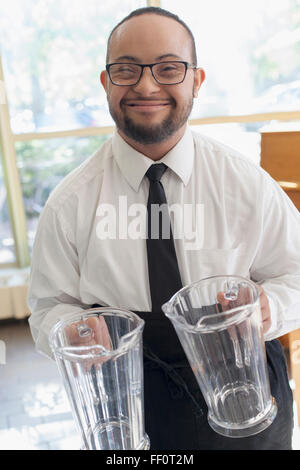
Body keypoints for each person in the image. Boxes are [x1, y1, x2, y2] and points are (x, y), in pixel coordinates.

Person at [28, 7, 300, 450]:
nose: (147, 85)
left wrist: (272, 308)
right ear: (106, 83)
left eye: (169, 68)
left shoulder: (245, 182)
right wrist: (71, 331)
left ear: (196, 80)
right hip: (134, 406)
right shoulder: (70, 203)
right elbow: (47, 309)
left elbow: (296, 273)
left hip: (248, 389)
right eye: (126, 69)